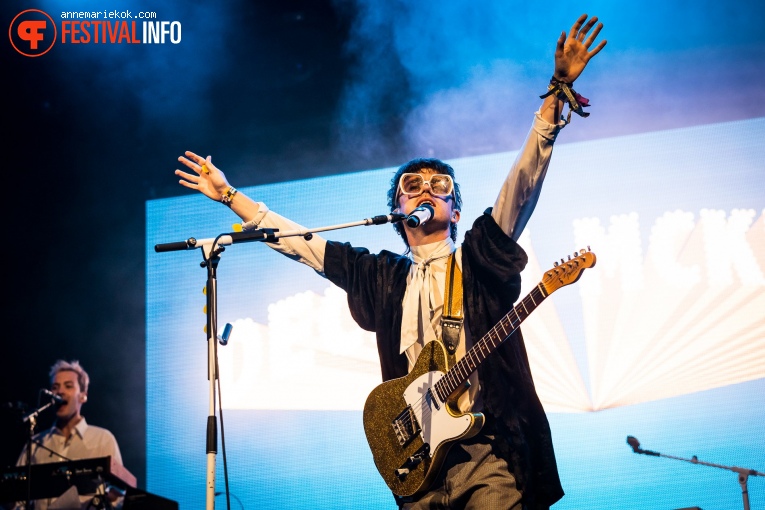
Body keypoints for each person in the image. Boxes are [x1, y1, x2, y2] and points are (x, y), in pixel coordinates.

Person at [176, 14, 606, 510]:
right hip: (418, 467)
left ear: (456, 211)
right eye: (413, 186)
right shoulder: (382, 276)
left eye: (440, 185)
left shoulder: (480, 257)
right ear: (399, 210)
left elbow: (520, 189)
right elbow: (299, 241)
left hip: (488, 455)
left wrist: (556, 95)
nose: (426, 189)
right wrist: (230, 195)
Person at [15, 360, 123, 510]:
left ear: (83, 396)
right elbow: (15, 499)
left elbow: (118, 498)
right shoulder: (35, 443)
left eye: (68, 386)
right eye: (55, 387)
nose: (60, 392)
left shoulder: (103, 439)